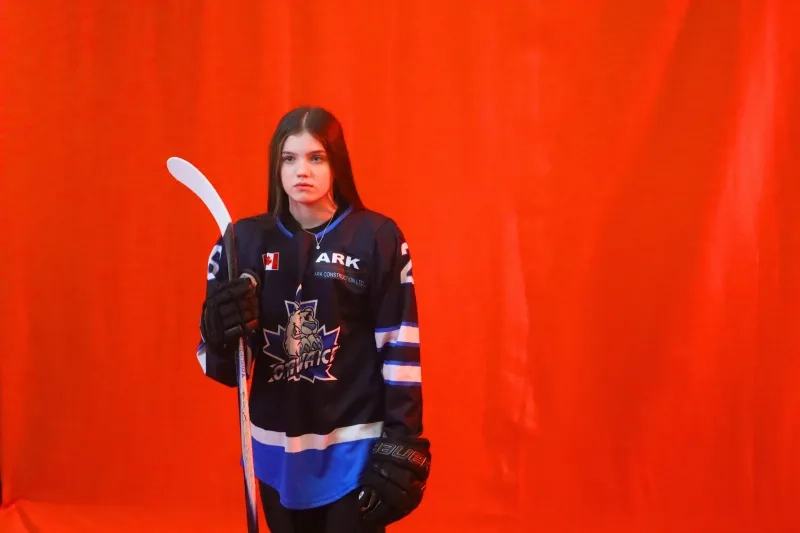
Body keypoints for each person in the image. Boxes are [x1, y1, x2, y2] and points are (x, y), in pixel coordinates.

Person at [195, 106, 431, 532]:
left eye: (316, 157)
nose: (301, 170)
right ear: (276, 165)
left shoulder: (376, 238)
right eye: (290, 158)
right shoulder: (241, 243)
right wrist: (219, 335)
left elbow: (399, 343)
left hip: (353, 446)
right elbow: (226, 370)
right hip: (275, 450)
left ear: (336, 163)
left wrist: (403, 437)